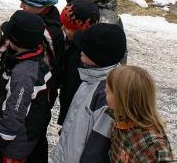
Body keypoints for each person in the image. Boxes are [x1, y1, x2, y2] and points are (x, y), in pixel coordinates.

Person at [52, 23, 127, 163]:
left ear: (99, 56)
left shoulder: (107, 96)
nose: (80, 50)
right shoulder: (89, 78)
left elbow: (98, 149)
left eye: (86, 49)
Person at [0, 10, 50, 163]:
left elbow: (15, 112)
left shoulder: (24, 75)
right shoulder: (31, 59)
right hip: (18, 138)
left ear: (16, 39)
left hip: (12, 146)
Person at [12, 0, 65, 162]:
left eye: (25, 3)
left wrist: (47, 91)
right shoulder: (28, 18)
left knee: (34, 131)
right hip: (20, 84)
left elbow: (55, 65)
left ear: (41, 5)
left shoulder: (51, 33)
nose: (21, 6)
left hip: (41, 92)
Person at [106, 66, 176, 163]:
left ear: (123, 99)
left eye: (108, 92)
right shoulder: (118, 122)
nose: (104, 92)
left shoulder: (152, 143)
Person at [57, 0, 100, 126]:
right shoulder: (71, 45)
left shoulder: (84, 57)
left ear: (81, 28)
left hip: (76, 113)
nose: (63, 28)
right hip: (68, 107)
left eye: (68, 27)